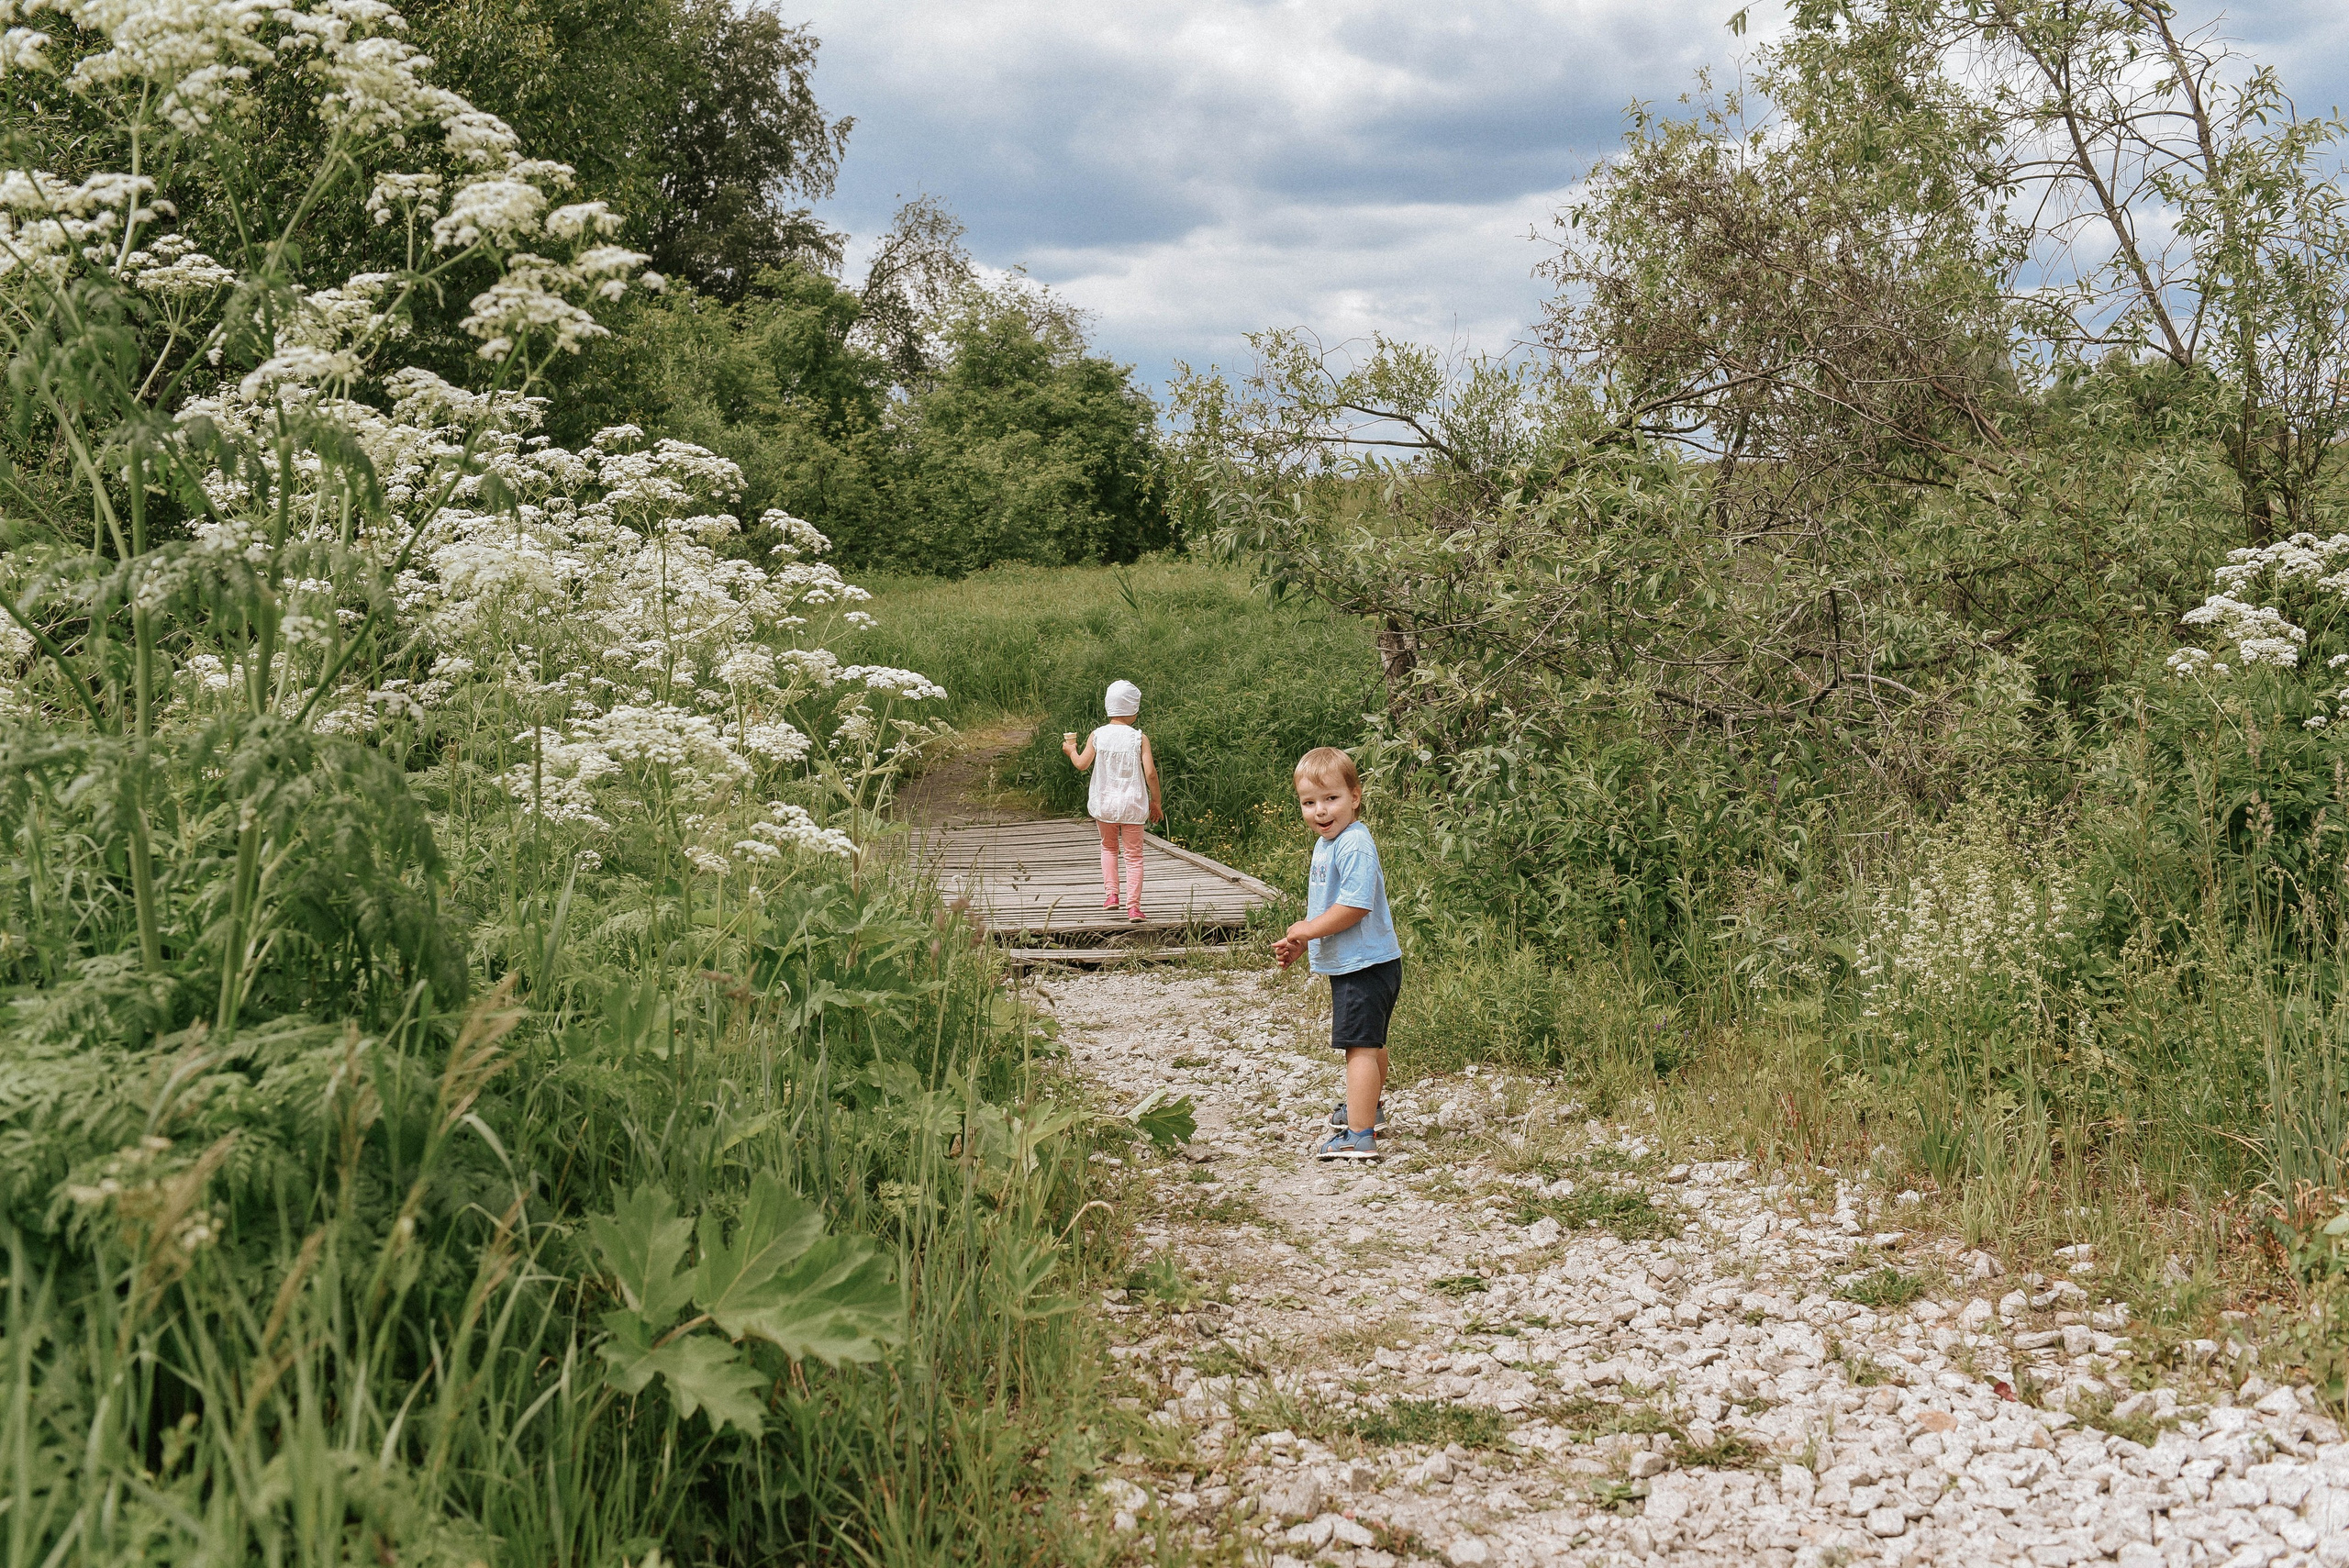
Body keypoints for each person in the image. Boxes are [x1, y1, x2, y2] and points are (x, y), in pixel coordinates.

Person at [1273, 746, 1402, 1161]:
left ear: (1355, 796)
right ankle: (1371, 1108)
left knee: (1359, 1047)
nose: (1321, 811)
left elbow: (1355, 905)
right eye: (1309, 803)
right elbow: (1328, 909)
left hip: (1365, 963)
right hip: (1363, 961)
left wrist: (1309, 928)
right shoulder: (1328, 845)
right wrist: (1306, 940)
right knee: (1372, 1041)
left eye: (1332, 799)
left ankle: (1360, 1133)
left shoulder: (1354, 844)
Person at [1063, 680, 1162, 920]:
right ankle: (1134, 907)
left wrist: (1070, 750)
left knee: (1108, 847)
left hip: (1105, 805)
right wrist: (1156, 802)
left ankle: (1111, 896)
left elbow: (1082, 764)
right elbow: (1150, 773)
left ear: (1109, 707)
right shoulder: (1139, 738)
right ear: (1134, 711)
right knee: (1134, 855)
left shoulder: (1098, 735)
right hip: (1133, 806)